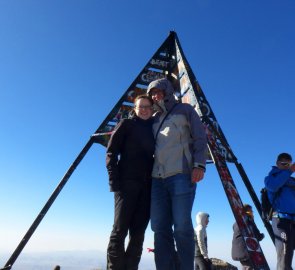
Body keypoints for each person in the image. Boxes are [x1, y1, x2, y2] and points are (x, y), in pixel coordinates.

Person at [146, 78, 208, 270]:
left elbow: (200, 137)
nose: (155, 96)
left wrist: (199, 164)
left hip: (181, 173)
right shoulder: (152, 118)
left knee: (181, 226)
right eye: (152, 93)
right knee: (159, 227)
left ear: (167, 90)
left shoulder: (185, 110)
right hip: (157, 178)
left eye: (158, 91)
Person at [105, 95, 155, 270]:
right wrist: (114, 182)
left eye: (148, 106)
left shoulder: (154, 129)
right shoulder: (126, 125)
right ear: (134, 108)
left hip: (147, 189)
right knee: (119, 231)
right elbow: (111, 153)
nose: (144, 109)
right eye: (141, 106)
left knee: (138, 234)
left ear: (152, 108)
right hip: (126, 185)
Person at [265, 153, 295, 270]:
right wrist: (290, 171)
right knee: (285, 256)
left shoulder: (292, 180)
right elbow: (273, 186)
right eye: (284, 164)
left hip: (293, 221)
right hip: (281, 220)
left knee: (288, 255)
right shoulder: (270, 178)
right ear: (277, 164)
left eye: (289, 164)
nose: (287, 166)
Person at [231, 204, 264, 270]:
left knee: (245, 267)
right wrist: (262, 235)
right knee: (249, 267)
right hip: (246, 251)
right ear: (248, 212)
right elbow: (257, 236)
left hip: (237, 251)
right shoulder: (248, 220)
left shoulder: (236, 222)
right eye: (251, 211)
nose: (252, 213)